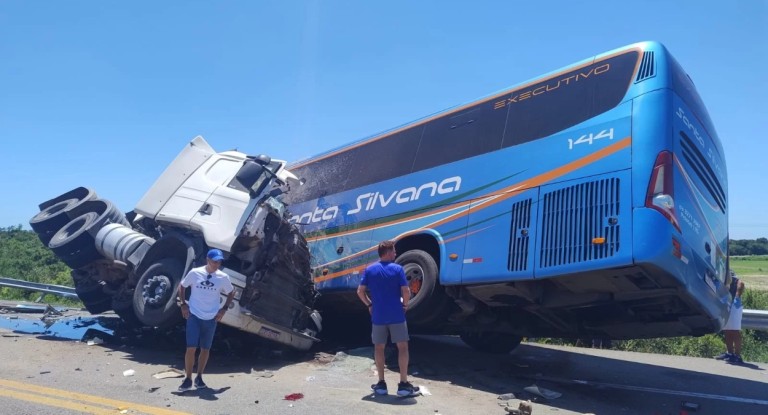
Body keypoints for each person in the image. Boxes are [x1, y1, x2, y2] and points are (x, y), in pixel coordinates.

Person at [357, 240, 420, 397]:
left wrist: (369, 305)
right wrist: (405, 305)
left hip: (378, 315)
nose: (395, 254)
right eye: (393, 251)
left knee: (379, 348)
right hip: (397, 315)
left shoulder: (370, 270)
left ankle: (381, 384)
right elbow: (406, 291)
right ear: (387, 252)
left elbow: (360, 291)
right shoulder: (398, 269)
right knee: (402, 347)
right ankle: (403, 385)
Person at [177, 248, 235, 391]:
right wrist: (183, 304)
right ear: (208, 260)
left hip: (211, 317)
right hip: (194, 315)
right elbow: (182, 286)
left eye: (219, 262)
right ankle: (188, 378)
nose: (217, 264)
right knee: (191, 348)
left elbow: (231, 292)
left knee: (205, 349)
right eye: (214, 262)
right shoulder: (195, 273)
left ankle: (200, 377)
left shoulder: (222, 277)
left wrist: (224, 309)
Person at [714, 273, 746, 364]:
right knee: (727, 330)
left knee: (735, 331)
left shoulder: (732, 278)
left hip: (735, 305)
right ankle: (730, 353)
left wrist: (737, 296)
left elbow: (741, 283)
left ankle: (737, 355)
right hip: (726, 304)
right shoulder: (720, 277)